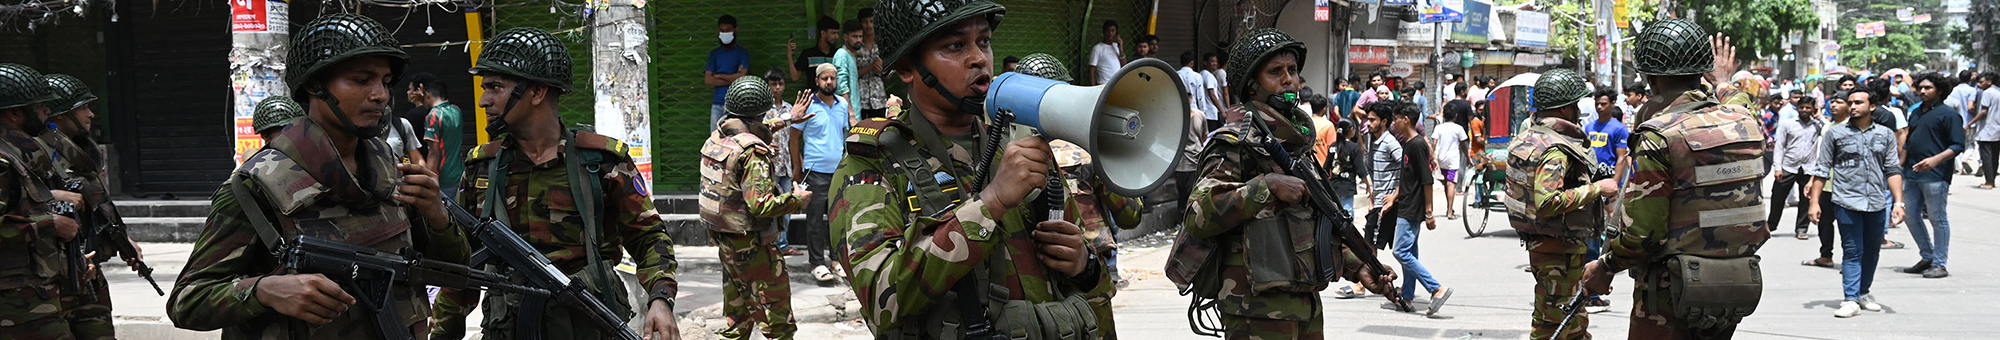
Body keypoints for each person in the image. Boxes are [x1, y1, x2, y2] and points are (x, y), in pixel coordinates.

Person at [166, 14, 468, 339]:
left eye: (385, 80)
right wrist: (265, 291)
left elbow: (453, 272)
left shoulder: (390, 168)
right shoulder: (257, 185)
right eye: (361, 80)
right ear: (314, 85)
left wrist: (438, 217)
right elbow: (187, 301)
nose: (380, 94)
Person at [827, 1, 1114, 337]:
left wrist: (1083, 264)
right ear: (907, 68)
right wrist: (991, 203)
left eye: (985, 41)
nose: (979, 58)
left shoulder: (1019, 146)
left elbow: (1096, 290)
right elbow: (880, 299)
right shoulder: (873, 162)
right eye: (955, 45)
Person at [448, 27, 681, 340]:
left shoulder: (601, 162)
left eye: (495, 87)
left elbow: (648, 237)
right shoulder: (483, 168)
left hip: (588, 324)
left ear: (536, 92)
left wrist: (661, 300)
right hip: (509, 327)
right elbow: (460, 266)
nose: (482, 100)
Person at [1170, 27, 1395, 338]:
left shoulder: (1294, 144)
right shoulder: (1236, 143)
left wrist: (1358, 266)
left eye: (1292, 70)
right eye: (1275, 72)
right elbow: (1196, 215)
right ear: (1250, 86)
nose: (1289, 79)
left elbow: (1314, 224)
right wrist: (1266, 186)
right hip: (1255, 310)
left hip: (1304, 304)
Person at [1582, 19, 1771, 339]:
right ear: (1702, 72)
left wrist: (1605, 267)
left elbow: (1643, 235)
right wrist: (1724, 81)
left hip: (1670, 293)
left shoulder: (1660, 135)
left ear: (1650, 78)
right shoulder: (1743, 123)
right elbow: (1740, 103)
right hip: (1731, 288)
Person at [1014, 52, 1141, 339]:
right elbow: (1130, 215)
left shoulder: (1001, 153)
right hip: (1088, 268)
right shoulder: (1088, 150)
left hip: (1025, 282)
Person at [1506, 68, 1616, 340]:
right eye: (1576, 104)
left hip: (1548, 245)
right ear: (1566, 108)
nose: (1579, 110)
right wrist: (1596, 188)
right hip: (1558, 250)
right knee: (1552, 325)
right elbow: (1547, 201)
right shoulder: (1555, 147)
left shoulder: (1529, 135)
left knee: (1574, 321)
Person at [702, 77, 812, 340]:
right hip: (753, 247)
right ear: (762, 112)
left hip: (728, 243)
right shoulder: (753, 153)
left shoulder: (719, 137)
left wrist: (787, 119)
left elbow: (752, 130)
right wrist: (796, 199)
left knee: (738, 320)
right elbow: (760, 205)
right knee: (778, 323)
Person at [38, 73, 143, 340]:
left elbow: (96, 206)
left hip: (88, 272)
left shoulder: (79, 152)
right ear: (60, 115)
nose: (91, 114)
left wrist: (121, 239)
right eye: (83, 107)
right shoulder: (34, 153)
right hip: (51, 277)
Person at [0, 63, 82, 340]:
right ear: (14, 113)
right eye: (39, 106)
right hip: (15, 302)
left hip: (31, 293)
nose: (48, 112)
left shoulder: (16, 154)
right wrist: (49, 225)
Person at [1806, 89, 1904, 318]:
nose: (1853, 106)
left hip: (1877, 203)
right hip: (1846, 201)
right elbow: (1821, 170)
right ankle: (1850, 299)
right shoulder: (1835, 134)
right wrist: (1814, 203)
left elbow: (1892, 170)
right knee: (1852, 251)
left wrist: (1899, 203)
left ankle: (1863, 292)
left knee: (1871, 251)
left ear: (1872, 107)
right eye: (1850, 102)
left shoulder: (1885, 135)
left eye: (1858, 102)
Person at [1387, 98, 1454, 316]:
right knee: (1410, 253)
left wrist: (1429, 212)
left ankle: (1436, 288)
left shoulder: (1417, 145)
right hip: (1405, 204)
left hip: (1412, 208)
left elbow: (1427, 180)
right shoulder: (1409, 143)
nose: (1393, 123)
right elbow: (1406, 177)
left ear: (1406, 120)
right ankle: (1407, 295)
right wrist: (1394, 197)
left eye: (1396, 119)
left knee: (1400, 252)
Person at [1898, 72, 1963, 279]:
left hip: (1936, 175)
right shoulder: (1916, 112)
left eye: (1928, 88)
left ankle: (1940, 263)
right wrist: (1900, 163)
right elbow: (1909, 140)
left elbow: (1957, 145)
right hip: (1911, 173)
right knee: (1910, 216)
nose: (1923, 91)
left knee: (1937, 218)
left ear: (1940, 91)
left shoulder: (1949, 115)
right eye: (1921, 88)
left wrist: (1936, 159)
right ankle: (1927, 255)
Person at [790, 63, 846, 283]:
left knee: (836, 219)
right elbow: (793, 139)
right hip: (814, 172)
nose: (829, 82)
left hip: (838, 172)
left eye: (832, 78)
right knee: (814, 220)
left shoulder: (842, 104)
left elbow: (842, 135)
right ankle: (816, 262)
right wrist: (797, 168)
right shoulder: (808, 106)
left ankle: (835, 260)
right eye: (824, 78)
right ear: (817, 81)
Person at [1803, 91, 1856, 269]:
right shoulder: (1827, 127)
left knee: (1847, 224)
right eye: (1832, 102)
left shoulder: (1852, 127)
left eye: (1839, 102)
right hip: (1826, 183)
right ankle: (1826, 255)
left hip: (1846, 185)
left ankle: (1851, 261)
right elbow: (1821, 158)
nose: (1833, 105)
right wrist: (1812, 180)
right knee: (1824, 222)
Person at [761, 70, 805, 256]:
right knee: (770, 204)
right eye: (773, 84)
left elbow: (793, 139)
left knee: (787, 204)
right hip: (769, 164)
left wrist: (798, 163)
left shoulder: (789, 108)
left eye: (780, 84)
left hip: (786, 164)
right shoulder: (763, 109)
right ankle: (771, 244)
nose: (777, 88)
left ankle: (783, 244)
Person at [1772, 97, 1824, 239]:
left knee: (1806, 200)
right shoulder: (1788, 124)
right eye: (1802, 107)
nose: (1805, 111)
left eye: (1808, 108)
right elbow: (1780, 146)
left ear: (1814, 108)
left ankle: (1802, 229)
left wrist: (1820, 116)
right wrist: (1778, 167)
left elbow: (1830, 131)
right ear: (1797, 108)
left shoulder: (1818, 125)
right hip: (1788, 166)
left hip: (1809, 168)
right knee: (1777, 197)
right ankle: (1770, 225)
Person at [407, 72, 463, 199]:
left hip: (443, 177)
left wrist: (430, 179)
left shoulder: (433, 116)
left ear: (428, 95)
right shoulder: (456, 110)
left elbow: (434, 152)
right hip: (459, 174)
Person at [707, 15, 752, 128]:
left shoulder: (742, 53)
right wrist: (733, 78)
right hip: (717, 104)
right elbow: (708, 79)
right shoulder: (715, 54)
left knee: (736, 139)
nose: (724, 33)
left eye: (728, 30)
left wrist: (719, 76)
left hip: (737, 104)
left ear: (735, 30)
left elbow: (742, 77)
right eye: (722, 30)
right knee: (715, 139)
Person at [1431, 100, 1469, 219]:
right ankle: (1449, 212)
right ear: (1456, 115)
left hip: (1441, 159)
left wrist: (1433, 157)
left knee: (1446, 184)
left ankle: (1449, 207)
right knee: (1451, 183)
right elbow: (1464, 145)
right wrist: (1468, 158)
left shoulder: (1439, 128)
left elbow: (1434, 143)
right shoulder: (1458, 128)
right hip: (1453, 160)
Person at [789, 16, 841, 84]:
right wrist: (789, 55)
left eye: (837, 33)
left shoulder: (837, 55)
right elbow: (795, 77)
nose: (837, 37)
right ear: (823, 33)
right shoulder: (808, 54)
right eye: (833, 33)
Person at [1972, 72, 2000, 189]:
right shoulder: (1998, 92)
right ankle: (1992, 179)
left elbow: (1984, 111)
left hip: (1987, 129)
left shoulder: (1987, 93)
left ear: (1989, 81)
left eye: (1981, 82)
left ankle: (1989, 181)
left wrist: (1970, 123)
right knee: (1995, 155)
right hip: (1997, 128)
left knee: (1986, 156)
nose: (1979, 84)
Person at [1179, 51, 1220, 130]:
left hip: (1181, 110)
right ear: (1192, 63)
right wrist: (1203, 112)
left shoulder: (1177, 74)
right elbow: (1200, 97)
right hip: (1194, 110)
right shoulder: (1197, 76)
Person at [1088, 20, 1124, 86]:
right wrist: (1093, 87)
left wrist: (1121, 49)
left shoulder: (1117, 46)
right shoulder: (1097, 48)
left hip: (1117, 84)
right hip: (1104, 84)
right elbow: (1091, 71)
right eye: (1108, 31)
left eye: (1113, 31)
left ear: (1116, 32)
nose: (1110, 33)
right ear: (1104, 32)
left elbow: (1124, 65)